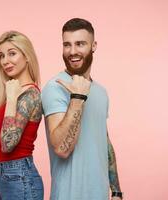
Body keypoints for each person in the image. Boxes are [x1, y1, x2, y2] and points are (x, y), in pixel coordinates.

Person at [42, 18, 123, 200]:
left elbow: (104, 141)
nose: (72, 51)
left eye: (80, 44)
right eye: (67, 45)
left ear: (93, 46)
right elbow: (62, 148)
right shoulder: (55, 87)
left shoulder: (101, 92)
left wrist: (116, 190)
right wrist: (77, 98)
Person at [0, 31, 44, 200]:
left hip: (20, 176)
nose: (5, 61)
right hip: (4, 176)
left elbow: (7, 145)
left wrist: (12, 98)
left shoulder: (30, 95)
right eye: (1, 56)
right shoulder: (12, 93)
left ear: (26, 55)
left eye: (12, 53)